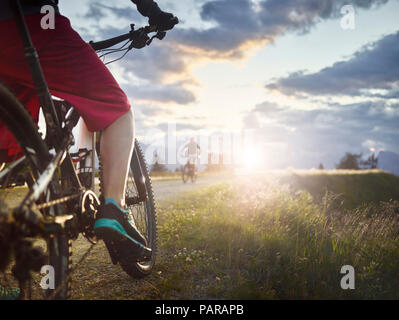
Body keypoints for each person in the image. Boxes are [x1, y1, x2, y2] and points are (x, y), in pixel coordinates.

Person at [0, 0, 178, 298]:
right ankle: (113, 209)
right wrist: (153, 13)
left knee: (13, 139)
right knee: (117, 109)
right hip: (32, 25)